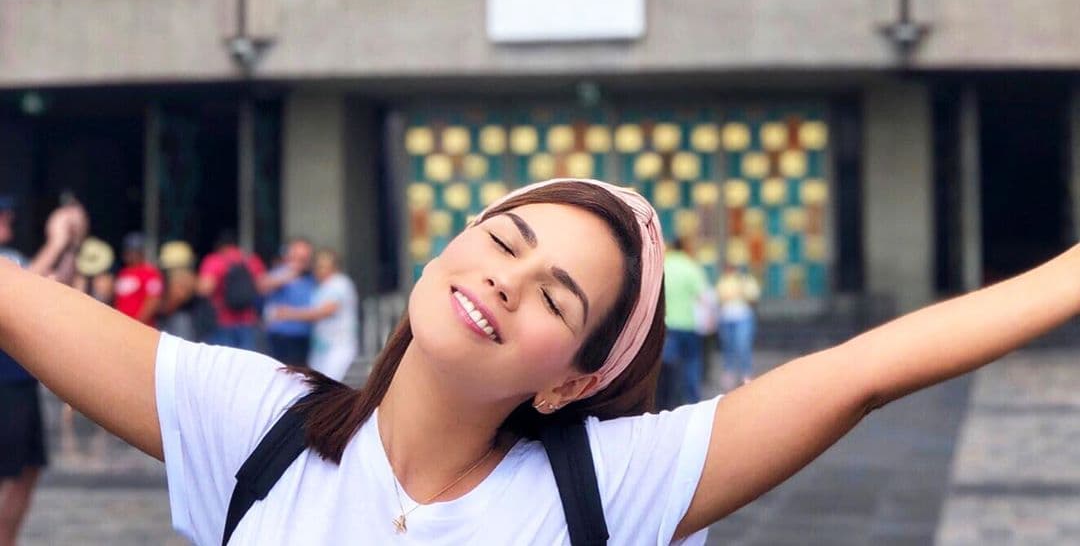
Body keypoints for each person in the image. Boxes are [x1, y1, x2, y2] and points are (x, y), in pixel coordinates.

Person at [5, 175, 1080, 545]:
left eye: (556, 295)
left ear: (571, 378)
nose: (508, 279)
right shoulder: (255, 422)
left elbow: (861, 372)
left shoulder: (605, 488)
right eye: (504, 241)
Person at [0, 195, 87, 545]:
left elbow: (53, 287)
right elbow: (16, 295)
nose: (8, 218)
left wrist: (71, 243)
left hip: (20, 379)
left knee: (27, 471)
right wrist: (54, 242)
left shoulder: (15, 259)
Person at [269, 247, 358, 380]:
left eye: (323, 266)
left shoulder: (339, 283)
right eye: (317, 266)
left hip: (338, 348)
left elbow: (325, 311)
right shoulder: (321, 286)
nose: (318, 270)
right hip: (321, 348)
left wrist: (288, 314)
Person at [661, 231, 710, 404]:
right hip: (688, 324)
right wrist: (709, 320)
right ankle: (692, 401)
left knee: (668, 367)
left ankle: (669, 404)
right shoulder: (691, 266)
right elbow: (703, 297)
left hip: (666, 325)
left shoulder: (662, 265)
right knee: (691, 364)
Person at [196, 231, 266, 350]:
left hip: (221, 321)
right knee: (247, 364)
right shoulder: (251, 260)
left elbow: (205, 289)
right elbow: (263, 287)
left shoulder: (215, 260)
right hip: (248, 321)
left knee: (223, 364)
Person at [262, 238, 317, 367]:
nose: (302, 260)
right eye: (299, 256)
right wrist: (290, 273)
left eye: (305, 257)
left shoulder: (312, 276)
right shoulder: (282, 272)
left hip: (305, 335)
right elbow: (263, 286)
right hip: (282, 335)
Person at [158, 242, 216, 344]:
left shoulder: (184, 279)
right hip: (190, 323)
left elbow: (177, 298)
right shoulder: (192, 278)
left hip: (182, 322)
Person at [716, 263, 761, 390]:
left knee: (743, 345)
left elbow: (753, 296)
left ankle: (746, 372)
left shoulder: (746, 280)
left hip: (743, 317)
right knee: (728, 346)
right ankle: (729, 372)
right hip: (726, 317)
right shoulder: (724, 280)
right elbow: (720, 296)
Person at [113, 233, 164, 328]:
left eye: (134, 251)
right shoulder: (123, 273)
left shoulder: (151, 273)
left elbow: (153, 301)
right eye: (128, 250)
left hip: (142, 327)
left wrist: (137, 324)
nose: (130, 254)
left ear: (141, 252)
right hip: (122, 327)